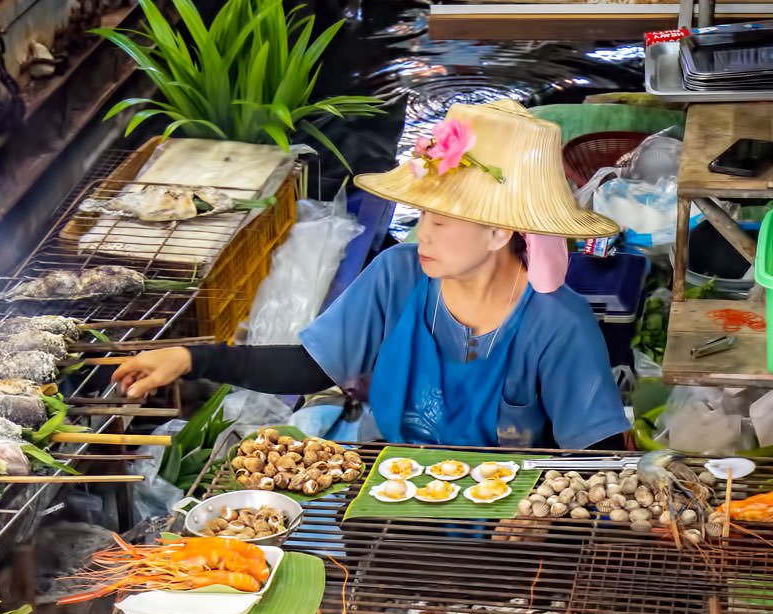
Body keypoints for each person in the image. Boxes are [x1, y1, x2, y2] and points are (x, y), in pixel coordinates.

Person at [113, 99, 631, 450]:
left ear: (500, 233)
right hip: (393, 493)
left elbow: (599, 450)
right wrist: (190, 357)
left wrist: (544, 511)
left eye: (442, 221)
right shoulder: (398, 275)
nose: (422, 234)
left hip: (507, 525)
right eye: (422, 216)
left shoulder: (559, 325)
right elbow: (313, 369)